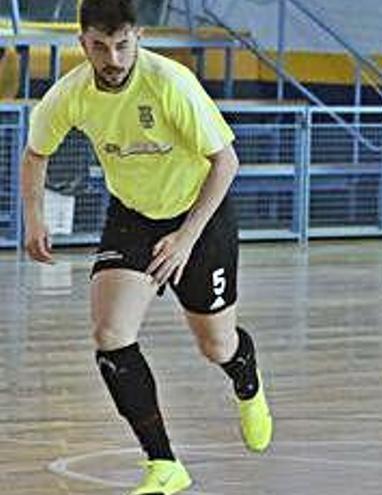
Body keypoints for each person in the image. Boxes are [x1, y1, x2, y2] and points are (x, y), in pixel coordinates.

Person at [19, 1, 273, 493]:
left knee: (215, 344)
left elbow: (226, 163)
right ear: (83, 44)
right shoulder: (69, 94)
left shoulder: (170, 83)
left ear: (138, 37)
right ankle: (164, 464)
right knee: (111, 332)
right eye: (100, 46)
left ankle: (247, 378)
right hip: (133, 215)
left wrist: (185, 239)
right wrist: (33, 219)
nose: (112, 58)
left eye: (121, 45)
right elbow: (35, 154)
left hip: (201, 211)